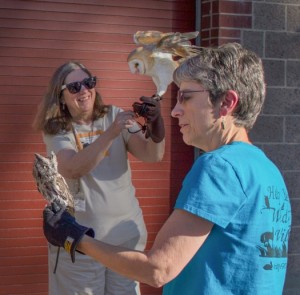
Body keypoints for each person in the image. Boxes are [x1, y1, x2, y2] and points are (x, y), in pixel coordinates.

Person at [42, 43, 292, 294]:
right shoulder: (269, 171)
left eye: (186, 97)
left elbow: (158, 269)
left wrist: (75, 237)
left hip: (115, 236)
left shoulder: (218, 167)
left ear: (226, 102)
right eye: (74, 87)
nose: (175, 110)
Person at [33, 61, 165, 295]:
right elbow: (73, 168)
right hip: (81, 242)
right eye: (74, 87)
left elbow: (152, 155)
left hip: (125, 241)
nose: (84, 90)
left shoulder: (114, 115)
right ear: (61, 97)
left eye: (88, 82)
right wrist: (112, 133)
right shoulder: (57, 129)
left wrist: (156, 126)